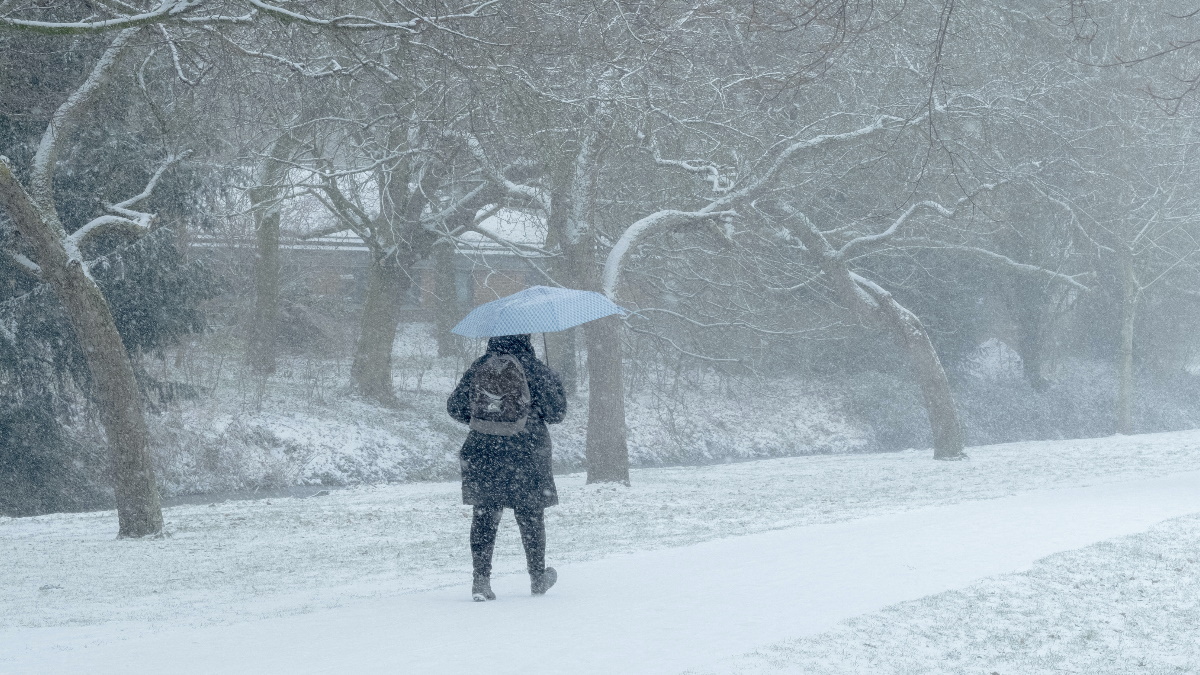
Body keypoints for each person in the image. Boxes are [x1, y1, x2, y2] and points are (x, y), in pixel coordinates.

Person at [447, 334, 567, 601]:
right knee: (531, 516)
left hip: (483, 451)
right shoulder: (536, 369)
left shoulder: (480, 366)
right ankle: (537, 577)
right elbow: (558, 412)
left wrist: (485, 420)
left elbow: (454, 407)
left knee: (485, 516)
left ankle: (481, 580)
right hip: (527, 452)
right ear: (526, 338)